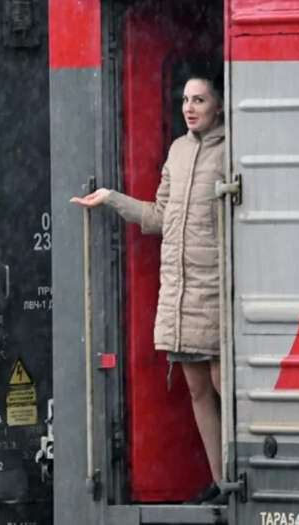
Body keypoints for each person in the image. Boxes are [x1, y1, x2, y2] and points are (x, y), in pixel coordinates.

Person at [71, 72, 227, 505]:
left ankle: (239, 479)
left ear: (219, 105)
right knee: (198, 390)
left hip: (217, 290)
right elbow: (160, 216)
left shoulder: (233, 150)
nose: (189, 108)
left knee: (225, 387)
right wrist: (111, 198)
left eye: (200, 100)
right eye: (185, 100)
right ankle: (221, 482)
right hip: (182, 293)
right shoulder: (177, 150)